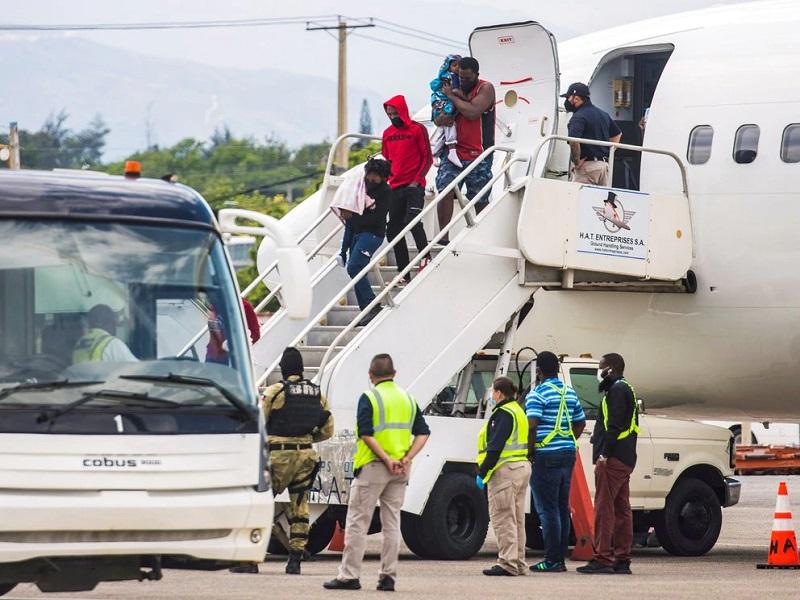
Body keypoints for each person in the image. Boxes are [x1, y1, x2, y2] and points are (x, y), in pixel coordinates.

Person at [324, 353, 430, 592]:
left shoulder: (369, 397)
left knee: (357, 522)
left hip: (374, 466)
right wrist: (406, 458)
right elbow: (423, 433)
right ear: (394, 374)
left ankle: (349, 575)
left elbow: (365, 433)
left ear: (371, 376)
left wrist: (386, 458)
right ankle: (388, 577)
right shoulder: (408, 399)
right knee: (392, 523)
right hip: (401, 469)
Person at [232, 347, 334, 575]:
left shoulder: (275, 392)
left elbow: (258, 423)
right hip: (306, 456)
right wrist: (307, 439)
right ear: (301, 368)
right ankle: (295, 559)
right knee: (300, 508)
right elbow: (328, 430)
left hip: (278, 457)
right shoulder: (317, 394)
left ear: (283, 369)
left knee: (260, 504)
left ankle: (250, 561)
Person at [577, 353, 639, 575]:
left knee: (604, 508)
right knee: (622, 509)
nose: (599, 370)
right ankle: (622, 559)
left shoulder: (617, 391)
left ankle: (603, 558)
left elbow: (614, 426)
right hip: (625, 457)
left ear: (611, 369)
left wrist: (604, 455)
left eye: (601, 367)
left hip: (613, 459)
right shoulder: (624, 389)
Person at [526, 351, 586, 573]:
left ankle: (551, 560)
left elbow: (531, 424)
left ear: (539, 371)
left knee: (547, 509)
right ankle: (559, 558)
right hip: (567, 453)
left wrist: (529, 452)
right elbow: (580, 423)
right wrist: (566, 439)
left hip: (545, 455)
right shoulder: (569, 392)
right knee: (561, 507)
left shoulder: (538, 393)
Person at [434, 56, 496, 244]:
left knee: (480, 196)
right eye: (460, 77)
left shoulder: (486, 88)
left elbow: (472, 111)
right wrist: (441, 118)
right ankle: (443, 239)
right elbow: (437, 117)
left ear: (477, 75)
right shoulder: (450, 84)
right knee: (445, 190)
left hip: (479, 153)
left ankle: (483, 237)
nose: (463, 81)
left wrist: (452, 95)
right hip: (453, 151)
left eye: (468, 78)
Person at [476, 376, 531, 577]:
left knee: (503, 518)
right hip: (521, 467)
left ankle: (507, 563)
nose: (491, 395)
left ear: (499, 393)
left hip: (505, 470)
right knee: (516, 520)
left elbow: (495, 447)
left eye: (492, 391)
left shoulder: (503, 414)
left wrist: (482, 473)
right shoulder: (518, 410)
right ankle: (518, 562)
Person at [382, 95, 433, 280]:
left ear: (402, 110)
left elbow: (427, 158)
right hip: (394, 187)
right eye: (389, 114)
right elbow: (387, 160)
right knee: (393, 229)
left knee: (413, 221)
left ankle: (425, 257)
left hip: (414, 186)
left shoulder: (417, 129)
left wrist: (417, 181)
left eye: (395, 113)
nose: (393, 117)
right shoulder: (387, 134)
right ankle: (403, 271)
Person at [338, 158, 392, 327]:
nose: (371, 179)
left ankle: (371, 305)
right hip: (356, 232)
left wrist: (353, 215)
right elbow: (349, 219)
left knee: (355, 267)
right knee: (354, 269)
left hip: (372, 234)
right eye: (370, 174)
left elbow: (377, 217)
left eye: (376, 176)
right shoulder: (360, 187)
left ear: (383, 177)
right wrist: (343, 249)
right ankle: (367, 309)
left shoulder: (385, 192)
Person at [561, 82, 622, 186]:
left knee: (577, 200)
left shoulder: (578, 117)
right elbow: (618, 134)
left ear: (576, 99)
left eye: (568, 97)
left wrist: (577, 162)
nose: (567, 101)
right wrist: (608, 152)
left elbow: (574, 141)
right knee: (601, 201)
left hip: (587, 168)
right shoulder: (603, 114)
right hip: (603, 167)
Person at [72, 304, 138, 363]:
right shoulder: (112, 343)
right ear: (104, 322)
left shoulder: (79, 344)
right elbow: (137, 369)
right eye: (113, 322)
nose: (115, 327)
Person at [429, 54, 463, 167]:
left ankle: (434, 153)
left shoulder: (443, 77)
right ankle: (452, 151)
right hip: (445, 104)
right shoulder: (451, 77)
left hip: (441, 104)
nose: (457, 67)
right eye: (454, 65)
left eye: (459, 65)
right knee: (450, 125)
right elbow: (454, 91)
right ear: (448, 66)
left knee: (442, 132)